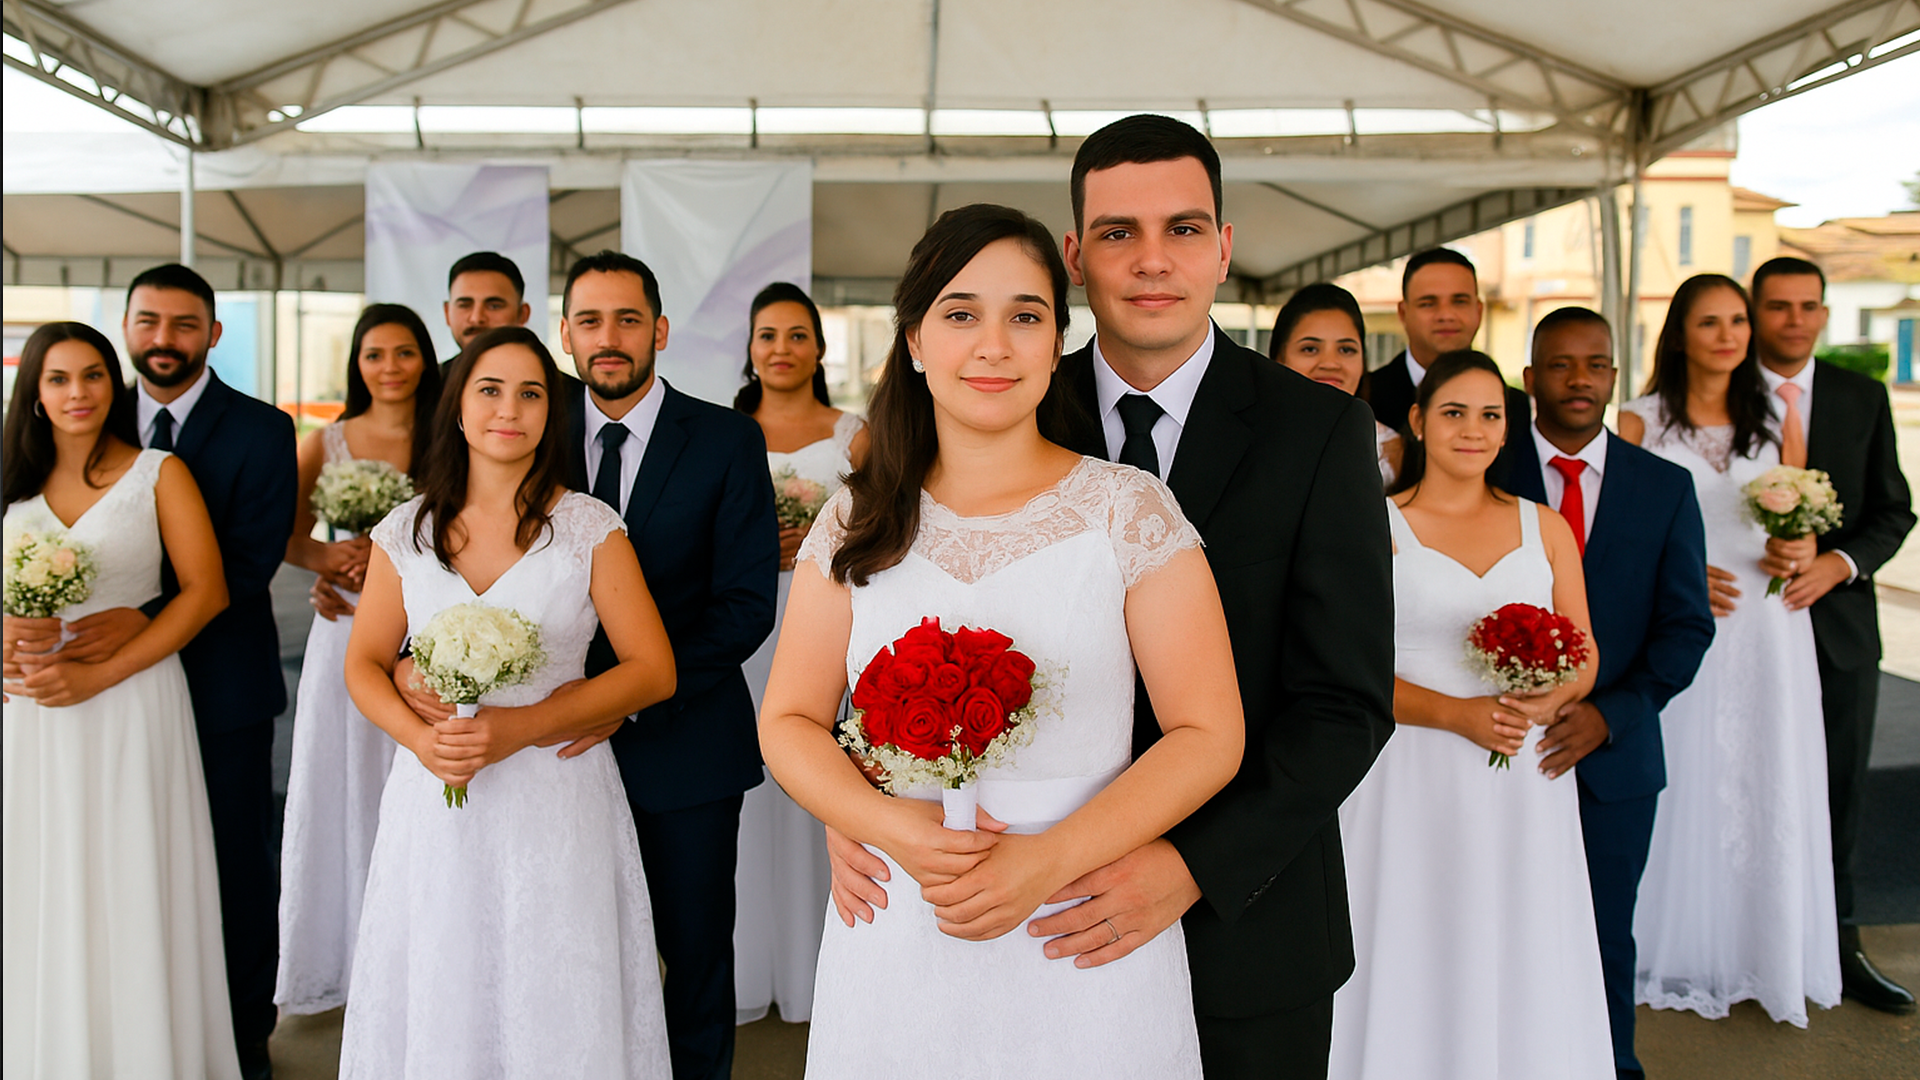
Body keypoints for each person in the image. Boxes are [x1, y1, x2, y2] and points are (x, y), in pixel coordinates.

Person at [824, 114, 1394, 1076]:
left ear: (1223, 248)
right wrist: (856, 805)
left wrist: (1187, 869)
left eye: (1183, 228)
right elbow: (889, 623)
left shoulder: (1320, 433)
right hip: (995, 904)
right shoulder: (1001, 396)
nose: (1153, 260)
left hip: (1242, 918)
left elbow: (1344, 704)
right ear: (1078, 257)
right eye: (1119, 233)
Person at [764, 202, 1245, 1077]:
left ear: (1058, 340)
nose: (994, 345)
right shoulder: (855, 518)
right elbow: (789, 718)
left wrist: (1049, 858)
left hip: (1081, 917)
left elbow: (1210, 734)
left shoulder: (1125, 508)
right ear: (912, 340)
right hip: (901, 917)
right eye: (960, 314)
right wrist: (883, 824)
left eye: (1025, 316)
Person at [392, 251, 779, 1079]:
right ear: (563, 334)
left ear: (660, 331)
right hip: (531, 772)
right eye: (591, 321)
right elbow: (448, 566)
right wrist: (406, 664)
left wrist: (617, 697)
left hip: (682, 744)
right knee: (549, 958)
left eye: (628, 320)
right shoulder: (522, 418)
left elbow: (746, 604)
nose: (609, 339)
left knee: (694, 956)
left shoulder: (724, 439)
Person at [339, 326, 677, 1074]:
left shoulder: (589, 527)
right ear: (457, 407)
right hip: (436, 791)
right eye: (490, 389)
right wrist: (419, 739)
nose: (510, 409)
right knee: (441, 966)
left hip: (556, 789)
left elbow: (652, 670)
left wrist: (522, 726)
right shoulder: (404, 530)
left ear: (551, 415)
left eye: (531, 393)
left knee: (554, 971)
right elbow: (363, 663)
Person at [35, 264, 297, 1080]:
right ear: (125, 326)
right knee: (115, 857)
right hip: (93, 695)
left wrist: (137, 625)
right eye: (148, 322)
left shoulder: (263, 430)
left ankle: (244, 1029)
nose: (164, 340)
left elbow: (248, 564)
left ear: (213, 334)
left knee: (231, 862)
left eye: (184, 325)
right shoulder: (78, 418)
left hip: (221, 686)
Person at [1330, 349, 1612, 1079]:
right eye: (1453, 412)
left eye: (1491, 415)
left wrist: (1552, 696)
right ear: (1419, 421)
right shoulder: (1373, 525)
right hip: (1407, 772)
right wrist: (1456, 714)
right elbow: (1346, 669)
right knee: (1413, 928)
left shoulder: (1544, 527)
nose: (1473, 429)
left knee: (1516, 932)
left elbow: (1583, 653)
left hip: (1521, 774)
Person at [2, 322, 239, 1078]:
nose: (79, 393)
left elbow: (206, 593)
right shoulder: (10, 483)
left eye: (94, 375)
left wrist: (103, 672)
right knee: (42, 876)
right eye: (60, 378)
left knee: (134, 877)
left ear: (115, 384)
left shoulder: (159, 473)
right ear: (35, 394)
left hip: (134, 700)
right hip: (32, 714)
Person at [1620, 273, 1841, 1026]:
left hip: (1771, 629)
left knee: (1766, 775)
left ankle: (1764, 945)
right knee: (1688, 774)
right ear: (1678, 333)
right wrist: (1675, 577)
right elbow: (1621, 539)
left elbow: (1802, 509)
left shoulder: (1777, 418)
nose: (1729, 334)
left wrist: (1803, 547)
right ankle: (1675, 945)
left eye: (1738, 320)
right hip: (1688, 624)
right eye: (1709, 321)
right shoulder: (1639, 423)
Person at [1507, 307, 1716, 1079]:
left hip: (1617, 761)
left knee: (1604, 932)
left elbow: (1685, 629)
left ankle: (1611, 1064)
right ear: (1531, 379)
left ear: (1614, 378)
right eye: (1560, 365)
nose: (1578, 380)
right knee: (1509, 924)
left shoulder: (1664, 488)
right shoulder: (1489, 476)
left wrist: (1610, 714)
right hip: (1500, 751)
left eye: (1594, 365)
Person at [1748, 256, 1916, 1014]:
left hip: (1840, 632)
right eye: (1778, 306)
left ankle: (1841, 946)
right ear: (1755, 313)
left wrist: (1840, 561)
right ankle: (1747, 939)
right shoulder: (1721, 397)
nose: (1794, 319)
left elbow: (1892, 510)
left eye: (1807, 306)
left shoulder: (1862, 395)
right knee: (1745, 784)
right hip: (1741, 630)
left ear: (1823, 313)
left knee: (1838, 792)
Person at [275, 304, 441, 1017]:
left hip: (433, 635)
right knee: (344, 781)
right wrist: (327, 558)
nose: (391, 368)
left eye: (405, 353)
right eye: (376, 355)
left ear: (424, 360)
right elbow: (282, 530)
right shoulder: (326, 440)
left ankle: (419, 946)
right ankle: (342, 955)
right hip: (348, 628)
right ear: (358, 363)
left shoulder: (449, 433)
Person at [732, 281, 868, 1025]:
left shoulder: (853, 433)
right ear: (750, 351)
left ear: (818, 347)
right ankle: (751, 964)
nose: (781, 349)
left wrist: (825, 543)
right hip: (748, 630)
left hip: (827, 623)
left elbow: (889, 523)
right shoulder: (723, 432)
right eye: (767, 335)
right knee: (751, 793)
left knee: (823, 778)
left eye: (796, 335)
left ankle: (822, 971)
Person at [313, 251, 528, 622]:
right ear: (447, 312)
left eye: (493, 304)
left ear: (522, 313)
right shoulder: (428, 393)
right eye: (465, 304)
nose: (477, 317)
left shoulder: (558, 394)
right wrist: (332, 565)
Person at [1369, 247, 1529, 486]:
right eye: (1428, 303)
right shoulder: (1367, 397)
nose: (1446, 315)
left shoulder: (1514, 404)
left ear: (1478, 310)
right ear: (1403, 313)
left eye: (1459, 301)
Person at [1269, 282, 1402, 486]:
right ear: (1278, 357)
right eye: (1310, 349)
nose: (1330, 363)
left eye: (1346, 350)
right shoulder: (1245, 438)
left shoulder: (1391, 452)